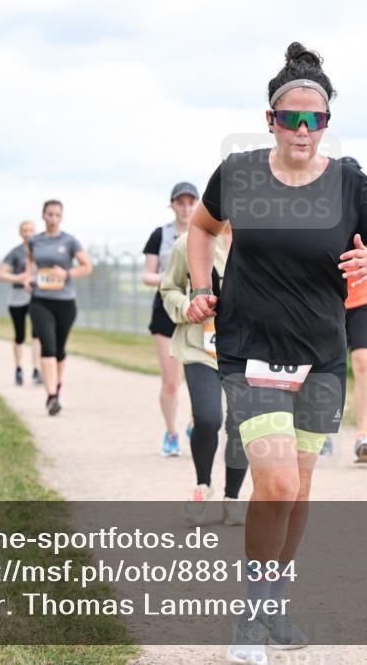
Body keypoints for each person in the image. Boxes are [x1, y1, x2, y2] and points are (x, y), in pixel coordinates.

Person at [185, 42, 367, 663]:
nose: (303, 130)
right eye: (291, 118)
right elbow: (202, 228)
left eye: (316, 119)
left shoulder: (349, 180)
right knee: (276, 482)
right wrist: (204, 287)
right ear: (271, 121)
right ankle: (251, 616)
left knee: (300, 489)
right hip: (250, 349)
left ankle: (274, 600)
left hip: (322, 356)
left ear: (327, 123)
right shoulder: (240, 173)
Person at [160, 224, 248, 526]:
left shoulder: (260, 238)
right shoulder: (188, 243)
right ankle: (202, 484)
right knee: (207, 417)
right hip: (200, 346)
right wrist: (187, 306)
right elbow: (168, 287)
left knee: (240, 422)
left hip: (246, 349)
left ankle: (233, 498)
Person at [321, 156, 367, 463]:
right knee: (321, 367)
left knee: (363, 362)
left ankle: (362, 435)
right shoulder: (321, 217)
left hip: (362, 298)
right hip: (327, 300)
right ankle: (319, 429)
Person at [143, 182, 198, 456]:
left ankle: (195, 423)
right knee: (171, 381)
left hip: (199, 312)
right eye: (181, 202)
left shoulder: (206, 233)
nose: (186, 208)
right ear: (172, 205)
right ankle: (171, 433)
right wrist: (173, 281)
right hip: (166, 309)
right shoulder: (160, 235)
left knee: (200, 377)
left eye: (191, 202)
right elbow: (147, 274)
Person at [27, 200, 93, 415]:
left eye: (57, 215)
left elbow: (87, 266)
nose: (53, 218)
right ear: (43, 216)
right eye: (50, 214)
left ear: (61, 217)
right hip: (40, 299)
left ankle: (57, 384)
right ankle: (52, 396)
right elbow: (31, 266)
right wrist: (29, 279)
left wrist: (67, 274)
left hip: (65, 302)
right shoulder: (35, 241)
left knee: (60, 350)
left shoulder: (70, 241)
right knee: (48, 346)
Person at [0, 220, 42, 386]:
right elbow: (1, 274)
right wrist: (19, 277)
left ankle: (37, 369)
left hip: (37, 295)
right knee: (20, 335)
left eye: (31, 230)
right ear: (20, 233)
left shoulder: (41, 251)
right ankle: (18, 368)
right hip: (18, 297)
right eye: (25, 230)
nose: (28, 233)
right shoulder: (15, 253)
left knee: (37, 334)